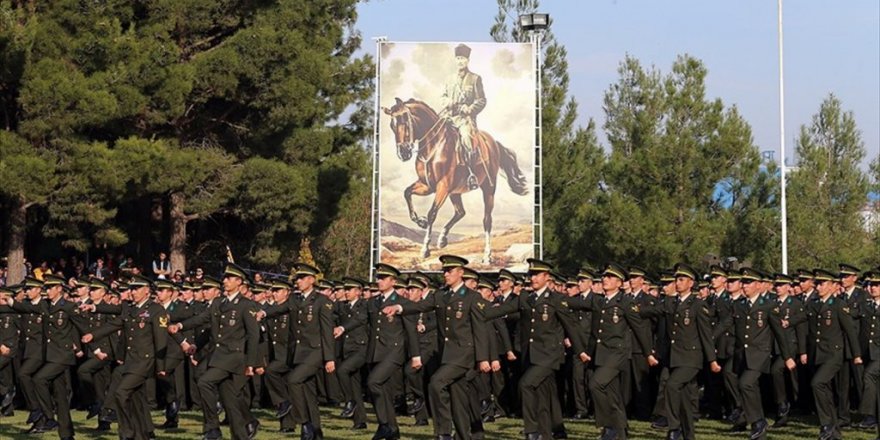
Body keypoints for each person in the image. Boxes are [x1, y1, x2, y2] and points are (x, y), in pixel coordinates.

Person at [82, 274, 170, 440]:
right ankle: (142, 434)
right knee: (137, 399)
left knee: (121, 393)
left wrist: (161, 367)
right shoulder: (131, 309)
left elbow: (161, 341)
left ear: (146, 291)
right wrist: (93, 336)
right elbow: (115, 324)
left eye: (137, 288)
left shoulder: (156, 310)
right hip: (131, 361)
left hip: (145, 361)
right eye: (132, 289)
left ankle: (127, 433)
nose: (133, 292)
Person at [441, 43, 486, 190]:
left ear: (468, 60)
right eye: (458, 58)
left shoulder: (475, 79)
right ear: (455, 60)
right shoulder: (448, 79)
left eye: (463, 58)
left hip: (465, 120)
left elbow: (481, 100)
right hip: (449, 117)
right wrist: (448, 102)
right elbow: (442, 97)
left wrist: (470, 109)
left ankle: (471, 173)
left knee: (466, 137)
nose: (460, 61)